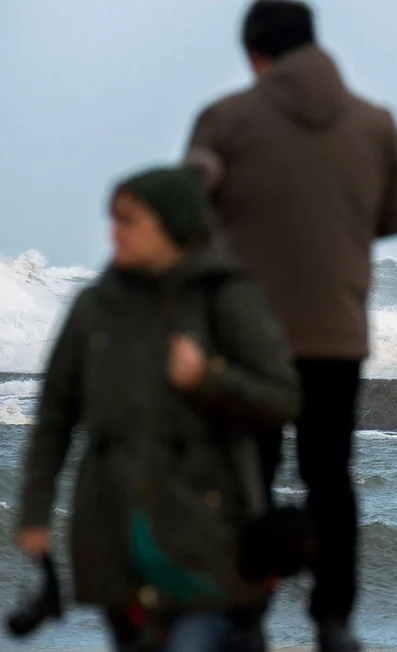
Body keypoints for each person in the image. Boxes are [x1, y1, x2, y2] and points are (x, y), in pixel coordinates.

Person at [185, 2, 397, 649]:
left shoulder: (226, 121)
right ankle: (333, 619)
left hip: (245, 336)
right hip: (335, 333)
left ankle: (246, 614)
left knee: (246, 475)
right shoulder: (377, 125)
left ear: (256, 56)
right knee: (330, 476)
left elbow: (189, 213)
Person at [15, 164, 301, 652]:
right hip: (115, 527)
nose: (113, 232)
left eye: (129, 221)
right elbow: (55, 416)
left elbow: (283, 397)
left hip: (204, 529)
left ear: (172, 226)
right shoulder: (95, 306)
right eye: (113, 219)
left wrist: (208, 379)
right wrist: (35, 514)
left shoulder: (227, 297)